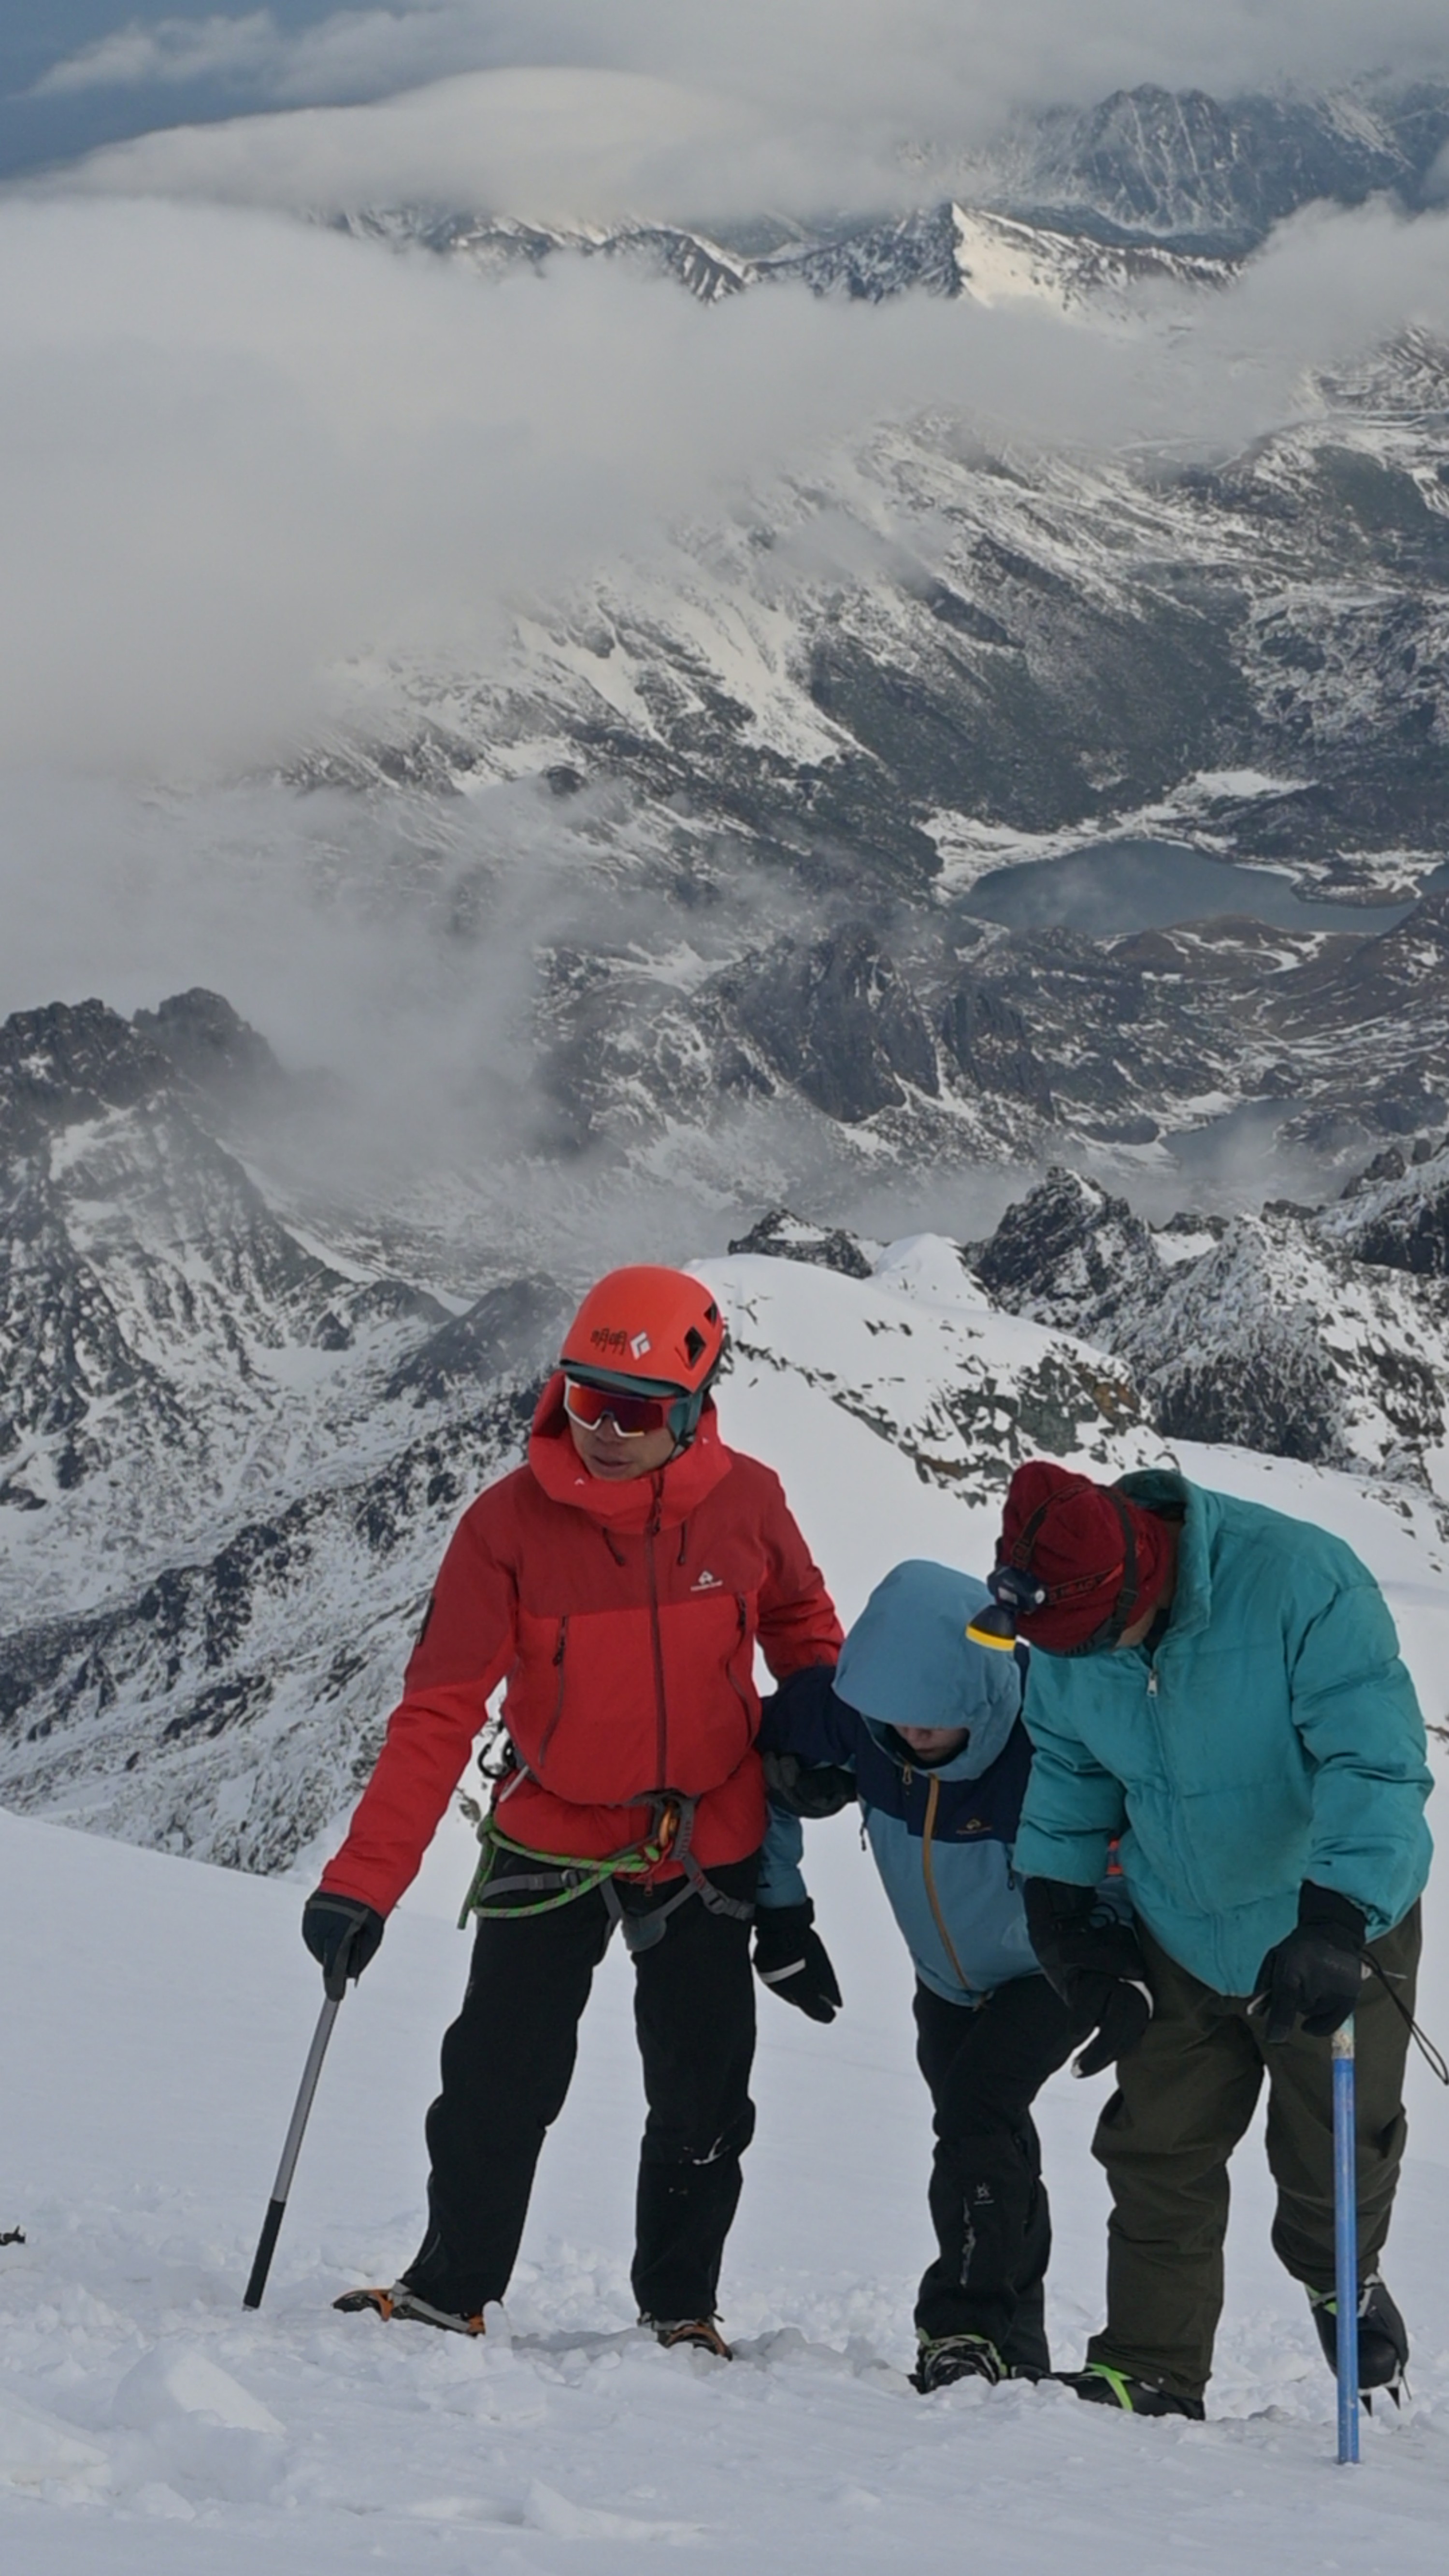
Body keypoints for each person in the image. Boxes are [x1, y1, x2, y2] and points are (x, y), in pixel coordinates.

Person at [302, 1264, 843, 2354]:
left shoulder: (749, 1503)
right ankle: (448, 2287)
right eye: (587, 1397)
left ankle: (680, 2308)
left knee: (703, 2095)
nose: (605, 1428)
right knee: (496, 2077)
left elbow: (801, 1620)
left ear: (694, 1406)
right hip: (550, 1826)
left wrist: (821, 1712)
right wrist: (361, 1885)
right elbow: (438, 1713)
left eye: (637, 1409)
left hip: (706, 1834)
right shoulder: (505, 1527)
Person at [973, 1459, 1434, 2420]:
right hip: (1177, 1917)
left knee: (1332, 2151)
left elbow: (1376, 1760)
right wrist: (1063, 1915)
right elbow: (1068, 1762)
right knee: (1159, 2147)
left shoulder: (1302, 1580)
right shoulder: (1068, 1624)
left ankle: (1335, 2272)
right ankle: (1148, 2365)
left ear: (1141, 1578)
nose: (1080, 1656)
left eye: (1097, 1638)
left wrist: (1338, 1915)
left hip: (1327, 1921)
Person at [756, 1559, 1142, 2392]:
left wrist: (1116, 1968)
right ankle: (1017, 2341)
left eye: (932, 1725)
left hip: (1047, 1967)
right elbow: (760, 1767)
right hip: (945, 1977)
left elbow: (1123, 1855)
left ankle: (961, 2332)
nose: (909, 1739)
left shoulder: (1049, 1741)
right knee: (990, 2142)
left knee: (976, 2115)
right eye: (892, 1723)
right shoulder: (858, 1719)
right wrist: (782, 1912)